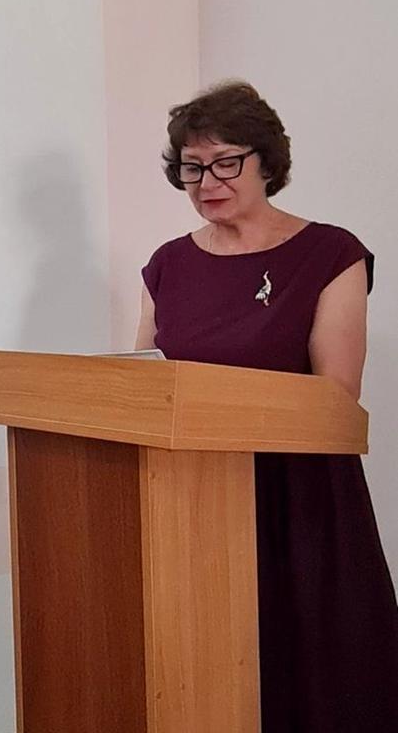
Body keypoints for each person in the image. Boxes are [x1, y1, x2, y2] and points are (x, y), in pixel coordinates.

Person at [135, 80, 398, 731]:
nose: (207, 181)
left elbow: (335, 397)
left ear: (266, 161)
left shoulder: (330, 254)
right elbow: (140, 383)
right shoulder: (167, 264)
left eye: (225, 162)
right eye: (192, 167)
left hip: (299, 501)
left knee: (313, 686)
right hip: (193, 502)